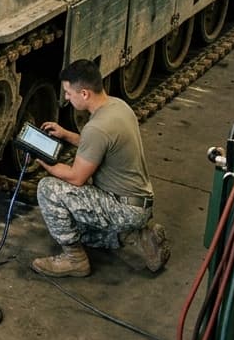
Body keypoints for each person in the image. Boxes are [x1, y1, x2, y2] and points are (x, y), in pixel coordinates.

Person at [31, 58, 170, 278]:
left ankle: (74, 260)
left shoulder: (97, 128)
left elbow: (76, 177)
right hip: (138, 201)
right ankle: (140, 239)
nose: (66, 98)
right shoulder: (117, 107)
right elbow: (97, 145)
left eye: (68, 93)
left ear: (84, 93)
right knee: (75, 226)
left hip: (123, 207)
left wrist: (46, 162)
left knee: (49, 189)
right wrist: (66, 135)